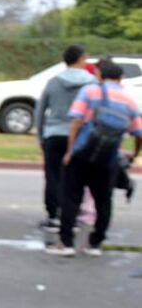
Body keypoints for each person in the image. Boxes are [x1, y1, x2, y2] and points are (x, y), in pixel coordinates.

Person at [47, 59, 142, 256]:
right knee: (103, 201)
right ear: (121, 78)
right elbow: (139, 133)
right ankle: (95, 244)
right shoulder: (130, 101)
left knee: (72, 197)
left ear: (99, 75)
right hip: (109, 159)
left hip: (82, 153)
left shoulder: (90, 91)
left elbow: (76, 122)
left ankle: (66, 243)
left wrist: (70, 151)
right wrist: (134, 153)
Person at [35, 46, 96, 231]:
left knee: (52, 175)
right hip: (79, 135)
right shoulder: (91, 82)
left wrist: (40, 134)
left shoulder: (54, 81)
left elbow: (40, 109)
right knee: (76, 177)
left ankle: (53, 215)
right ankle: (71, 215)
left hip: (54, 132)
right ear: (81, 59)